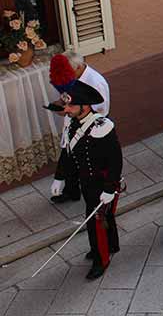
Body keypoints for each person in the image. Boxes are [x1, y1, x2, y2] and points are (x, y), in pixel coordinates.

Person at [49, 80, 122, 280]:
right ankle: (111, 244)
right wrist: (59, 177)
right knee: (104, 217)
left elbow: (116, 161)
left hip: (103, 183)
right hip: (87, 182)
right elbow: (68, 153)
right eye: (67, 105)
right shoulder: (73, 125)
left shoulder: (103, 126)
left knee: (95, 222)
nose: (67, 109)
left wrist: (109, 189)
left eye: (72, 106)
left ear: (85, 106)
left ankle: (101, 259)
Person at [47, 52, 111, 205]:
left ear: (77, 68)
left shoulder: (95, 82)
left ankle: (91, 192)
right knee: (69, 156)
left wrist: (67, 111)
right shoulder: (72, 78)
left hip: (88, 128)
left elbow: (97, 109)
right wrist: (60, 104)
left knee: (83, 161)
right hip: (73, 123)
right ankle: (71, 191)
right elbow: (67, 97)